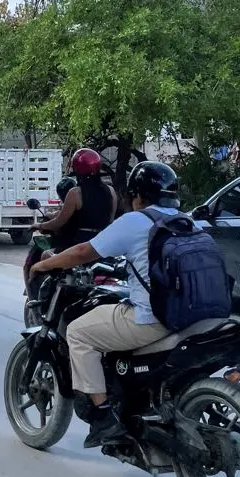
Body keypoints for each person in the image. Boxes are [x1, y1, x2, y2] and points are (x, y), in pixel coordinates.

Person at [30, 161, 179, 448]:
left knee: (78, 332)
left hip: (153, 317)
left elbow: (82, 251)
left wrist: (47, 263)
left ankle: (103, 417)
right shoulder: (187, 221)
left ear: (137, 195)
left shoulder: (137, 220)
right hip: (196, 316)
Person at [32, 148, 117, 248]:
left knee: (46, 255)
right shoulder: (110, 190)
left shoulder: (75, 193)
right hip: (104, 243)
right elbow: (111, 219)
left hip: (81, 244)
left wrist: (39, 225)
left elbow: (59, 222)